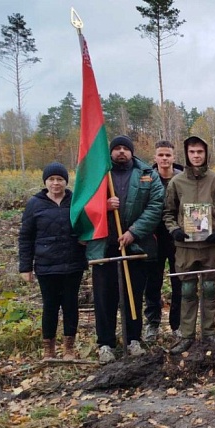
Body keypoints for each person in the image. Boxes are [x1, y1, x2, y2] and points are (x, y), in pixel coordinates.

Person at [87, 135, 165, 364]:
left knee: (133, 295)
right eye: (117, 148)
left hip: (135, 246)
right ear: (110, 152)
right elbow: (84, 204)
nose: (121, 152)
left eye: (125, 148)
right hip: (104, 246)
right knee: (104, 298)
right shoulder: (98, 175)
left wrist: (134, 232)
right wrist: (103, 205)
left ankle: (133, 339)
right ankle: (106, 343)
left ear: (132, 152)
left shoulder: (147, 175)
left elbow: (155, 206)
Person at [163, 136, 215, 354]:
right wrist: (174, 229)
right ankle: (186, 335)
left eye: (200, 152)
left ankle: (209, 333)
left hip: (210, 246)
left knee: (209, 287)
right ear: (187, 154)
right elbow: (167, 212)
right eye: (192, 152)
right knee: (187, 290)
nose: (196, 156)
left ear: (206, 154)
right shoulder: (176, 182)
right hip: (185, 247)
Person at [19, 162, 87, 360]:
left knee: (70, 304)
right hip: (46, 265)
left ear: (66, 181)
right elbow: (26, 237)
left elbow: (87, 224)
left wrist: (85, 238)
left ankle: (69, 348)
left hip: (72, 263)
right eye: (51, 179)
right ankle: (49, 349)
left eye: (60, 179)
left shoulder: (75, 201)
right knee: (50, 306)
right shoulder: (35, 204)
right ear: (45, 182)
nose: (55, 183)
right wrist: (25, 267)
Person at [143, 140, 184, 343]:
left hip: (177, 238)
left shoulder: (183, 178)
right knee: (153, 283)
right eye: (161, 155)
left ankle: (177, 325)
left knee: (178, 281)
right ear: (155, 157)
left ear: (173, 157)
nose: (165, 159)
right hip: (153, 237)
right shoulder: (146, 179)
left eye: (168, 155)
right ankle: (152, 323)